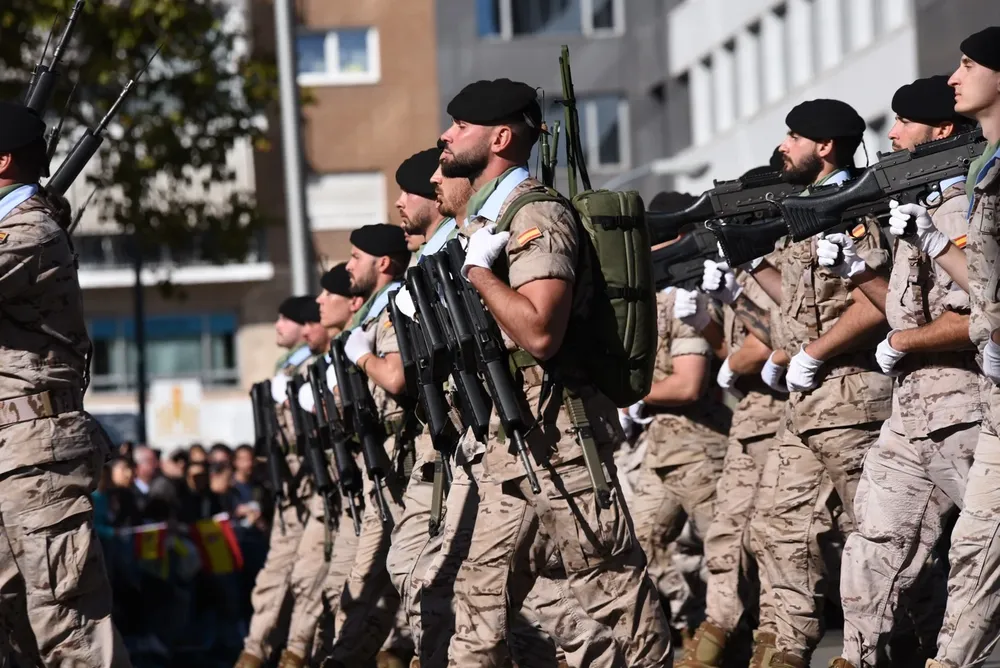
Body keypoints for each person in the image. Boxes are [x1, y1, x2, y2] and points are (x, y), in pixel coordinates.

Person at [437, 78, 672, 667]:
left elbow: (541, 330)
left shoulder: (536, 213)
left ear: (500, 136)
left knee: (610, 586)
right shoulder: (489, 223)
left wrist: (480, 276)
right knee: (479, 595)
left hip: (559, 430)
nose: (446, 135)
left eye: (460, 125)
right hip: (513, 433)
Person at [814, 76, 980, 668]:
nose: (892, 133)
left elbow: (981, 314)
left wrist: (904, 339)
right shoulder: (924, 206)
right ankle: (856, 657)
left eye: (905, 122)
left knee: (981, 555)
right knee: (873, 544)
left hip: (967, 411)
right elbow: (903, 308)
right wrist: (859, 272)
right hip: (910, 413)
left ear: (941, 131)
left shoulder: (961, 207)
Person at [739, 99, 894, 667]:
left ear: (824, 146)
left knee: (878, 544)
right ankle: (783, 649)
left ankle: (892, 649)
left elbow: (879, 304)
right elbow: (803, 307)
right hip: (806, 406)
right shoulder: (802, 209)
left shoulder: (855, 208)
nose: (784, 145)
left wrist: (816, 351)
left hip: (854, 401)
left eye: (794, 136)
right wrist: (755, 264)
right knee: (776, 530)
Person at [0, 100, 130, 666]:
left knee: (69, 628)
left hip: (35, 455)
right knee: (14, 633)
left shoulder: (29, 231)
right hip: (12, 452)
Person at [887, 27, 1000, 668]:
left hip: (959, 397)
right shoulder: (983, 168)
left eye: (967, 65)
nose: (955, 78)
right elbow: (986, 283)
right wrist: (932, 238)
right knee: (974, 546)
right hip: (985, 395)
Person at [625, 232, 729, 643]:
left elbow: (688, 384)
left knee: (724, 551)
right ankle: (691, 626)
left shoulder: (687, 299)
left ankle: (733, 637)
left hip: (701, 448)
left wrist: (632, 397)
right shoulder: (649, 302)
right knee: (640, 541)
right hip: (663, 449)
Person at [322, 223, 413, 668]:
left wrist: (360, 356)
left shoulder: (395, 306)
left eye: (355, 257)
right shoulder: (374, 314)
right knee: (366, 584)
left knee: (407, 579)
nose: (347, 266)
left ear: (381, 263)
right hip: (382, 465)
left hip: (405, 466)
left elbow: (395, 378)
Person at [236, 296, 327, 668]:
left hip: (316, 476)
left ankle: (298, 651)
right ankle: (254, 650)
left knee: (311, 571)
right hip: (287, 479)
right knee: (275, 571)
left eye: (285, 319)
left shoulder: (316, 361)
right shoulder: (285, 365)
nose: (278, 326)